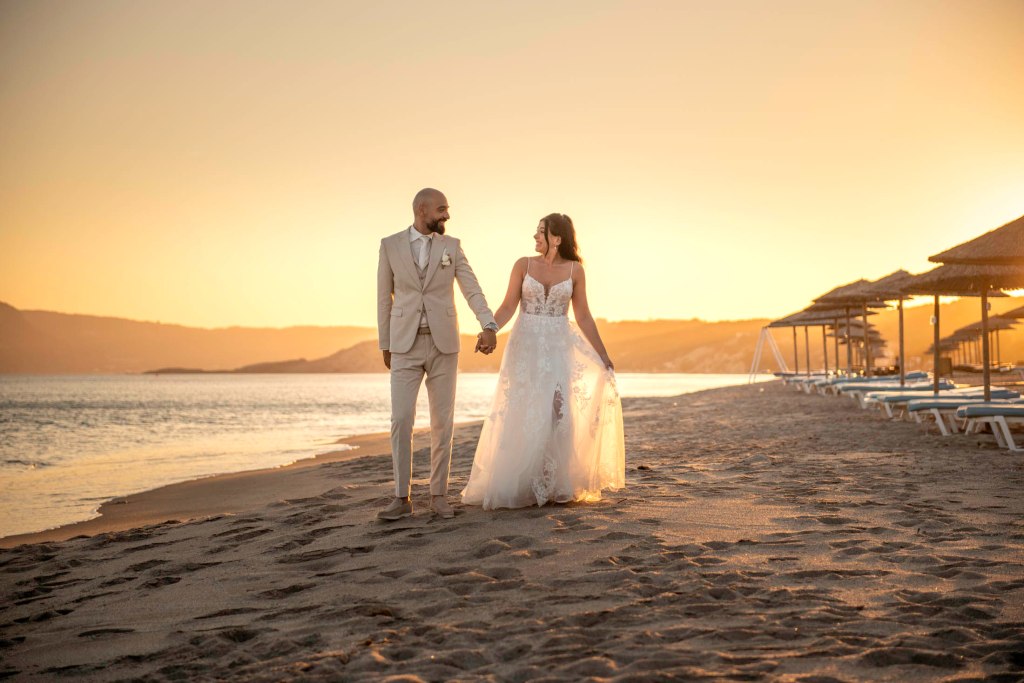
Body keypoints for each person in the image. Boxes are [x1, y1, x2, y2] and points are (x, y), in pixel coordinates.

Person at [461, 213, 625, 509]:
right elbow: (509, 305)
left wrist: (602, 354)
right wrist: (489, 330)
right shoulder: (523, 265)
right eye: (536, 231)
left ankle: (553, 482)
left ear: (557, 238)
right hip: (525, 345)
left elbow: (584, 315)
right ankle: (521, 483)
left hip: (559, 346)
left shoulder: (576, 271)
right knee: (523, 408)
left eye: (541, 232)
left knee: (558, 413)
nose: (535, 237)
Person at [376, 188, 498, 520]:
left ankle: (438, 495)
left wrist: (488, 323)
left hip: (444, 344)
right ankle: (402, 498)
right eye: (442, 209)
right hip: (404, 344)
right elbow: (383, 299)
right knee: (401, 419)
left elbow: (471, 287)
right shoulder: (389, 246)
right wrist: (385, 344)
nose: (446, 215)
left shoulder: (452, 247)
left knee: (442, 422)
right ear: (421, 210)